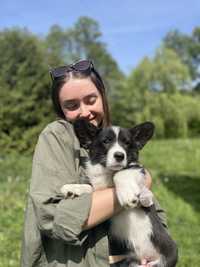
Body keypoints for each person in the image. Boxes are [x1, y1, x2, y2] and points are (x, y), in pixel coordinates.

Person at [21, 59, 167, 267]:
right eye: (71, 105)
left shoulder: (116, 141)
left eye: (91, 100)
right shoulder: (57, 135)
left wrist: (158, 254)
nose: (84, 112)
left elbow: (151, 212)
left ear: (103, 97)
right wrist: (131, 186)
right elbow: (53, 217)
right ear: (61, 109)